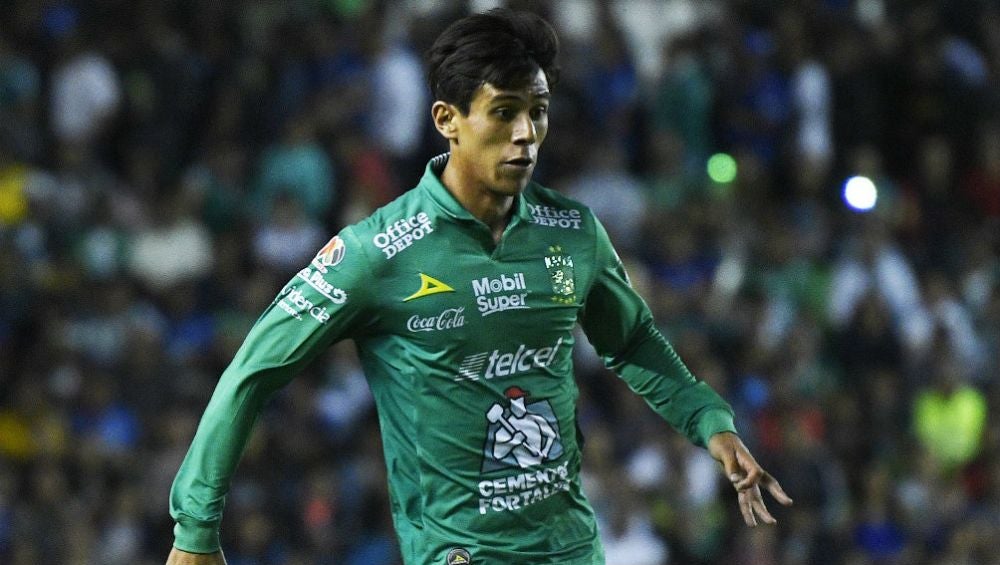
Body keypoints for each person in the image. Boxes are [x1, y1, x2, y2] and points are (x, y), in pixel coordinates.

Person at [166, 9, 791, 565]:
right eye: (504, 112)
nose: (526, 134)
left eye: (537, 112)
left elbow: (632, 342)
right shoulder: (377, 252)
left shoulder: (573, 231)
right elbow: (252, 373)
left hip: (572, 548)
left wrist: (711, 423)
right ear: (449, 120)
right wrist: (195, 531)